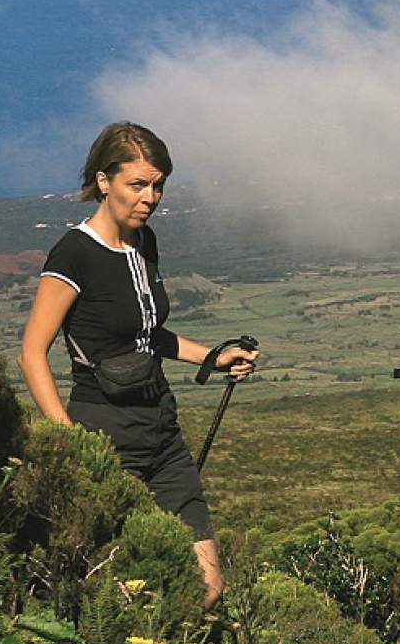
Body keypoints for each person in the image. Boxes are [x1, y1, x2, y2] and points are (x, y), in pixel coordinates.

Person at [17, 122, 257, 608]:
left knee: (208, 586)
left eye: (158, 185)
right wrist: (69, 442)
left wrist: (212, 355)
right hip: (104, 432)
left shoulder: (145, 243)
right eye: (138, 184)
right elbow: (31, 353)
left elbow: (147, 335)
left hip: (161, 431)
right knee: (125, 592)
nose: (150, 197)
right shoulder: (75, 253)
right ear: (104, 182)